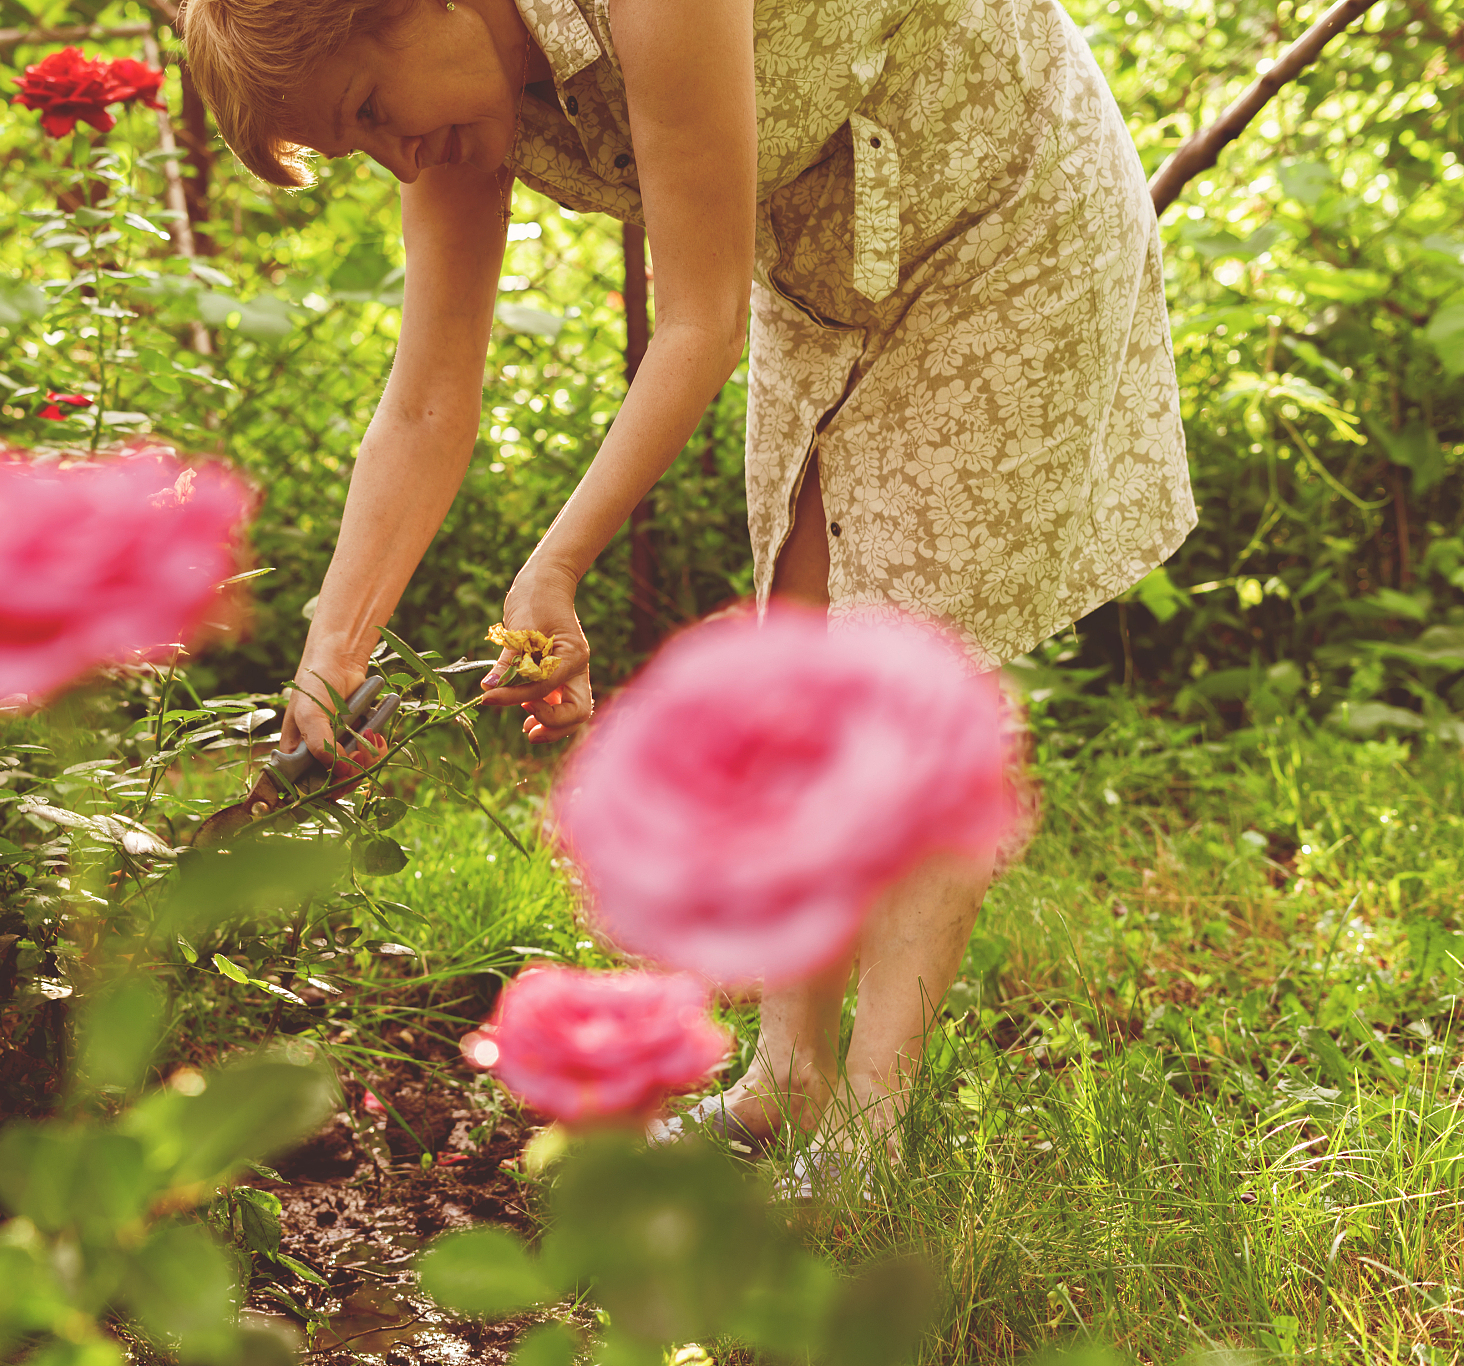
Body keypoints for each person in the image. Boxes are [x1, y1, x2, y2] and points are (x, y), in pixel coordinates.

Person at [180, 0, 1195, 1152]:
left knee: (912, 665)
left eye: (370, 110)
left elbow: (696, 325)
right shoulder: (449, 118)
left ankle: (868, 1136)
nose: (397, 159)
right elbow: (423, 400)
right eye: (357, 143)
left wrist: (554, 566)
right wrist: (331, 650)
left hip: (996, 203)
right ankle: (786, 1076)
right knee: (798, 643)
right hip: (823, 243)